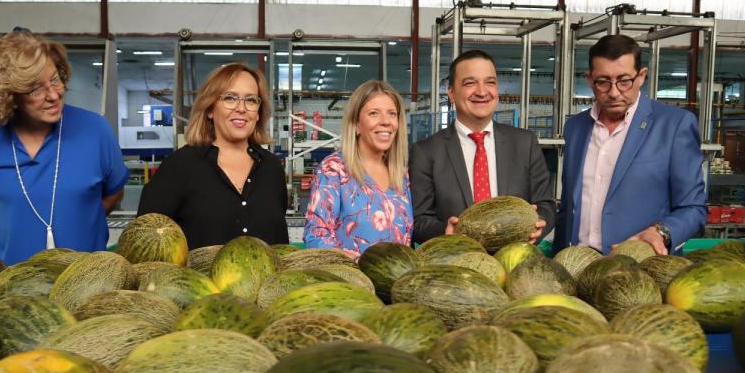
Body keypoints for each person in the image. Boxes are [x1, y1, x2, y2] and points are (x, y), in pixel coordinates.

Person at [0, 30, 127, 265]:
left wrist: (80, 221)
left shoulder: (95, 131)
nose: (53, 95)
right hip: (16, 287)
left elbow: (114, 193)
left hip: (87, 283)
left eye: (55, 79)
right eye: (35, 89)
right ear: (10, 96)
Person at [554, 34, 706, 255]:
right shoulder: (576, 128)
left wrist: (662, 232)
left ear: (641, 76)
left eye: (624, 81)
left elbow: (694, 208)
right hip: (579, 265)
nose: (614, 92)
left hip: (642, 270)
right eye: (603, 82)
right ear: (589, 79)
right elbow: (568, 208)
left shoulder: (674, 125)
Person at [410, 49, 554, 245]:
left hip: (516, 264)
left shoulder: (525, 143)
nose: (482, 91)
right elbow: (418, 220)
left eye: (490, 82)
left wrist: (539, 224)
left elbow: (546, 204)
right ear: (451, 93)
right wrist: (446, 231)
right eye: (470, 83)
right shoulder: (425, 152)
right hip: (457, 264)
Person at [138, 62, 288, 248]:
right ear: (210, 109)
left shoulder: (272, 168)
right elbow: (144, 241)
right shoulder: (179, 166)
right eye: (230, 98)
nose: (241, 108)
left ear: (258, 113)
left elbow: (280, 244)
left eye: (250, 100)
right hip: (193, 277)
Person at [304, 80, 412, 257]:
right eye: (374, 113)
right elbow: (315, 235)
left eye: (392, 114)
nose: (386, 121)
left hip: (396, 282)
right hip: (349, 281)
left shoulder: (401, 174)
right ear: (356, 124)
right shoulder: (334, 169)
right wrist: (346, 259)